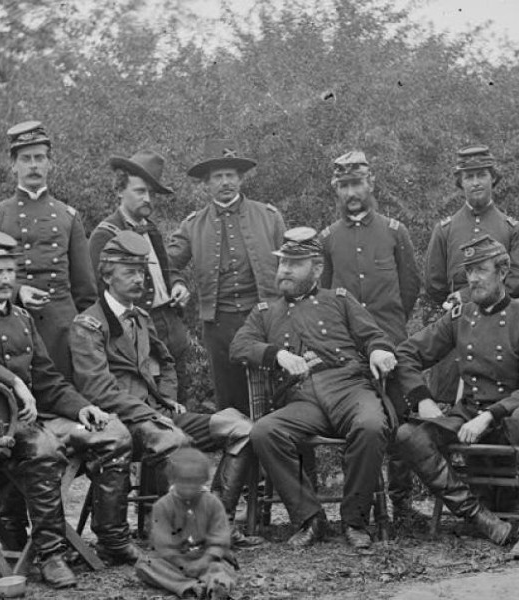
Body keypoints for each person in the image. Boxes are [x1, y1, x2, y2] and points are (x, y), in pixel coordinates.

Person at [0, 230, 138, 588]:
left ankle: (113, 538)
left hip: (37, 420)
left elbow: (48, 381)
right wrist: (12, 382)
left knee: (114, 434)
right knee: (43, 449)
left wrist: (82, 407)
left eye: (11, 271)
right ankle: (50, 554)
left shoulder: (24, 319)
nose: (7, 279)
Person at [69, 230, 261, 547]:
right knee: (173, 439)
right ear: (106, 275)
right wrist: (152, 414)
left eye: (142, 272)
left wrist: (167, 398)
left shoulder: (141, 317)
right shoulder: (88, 325)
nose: (138, 280)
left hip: (157, 416)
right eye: (129, 272)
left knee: (241, 428)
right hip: (119, 425)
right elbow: (99, 391)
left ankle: (217, 521)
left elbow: (167, 361)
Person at [230, 227, 398, 549]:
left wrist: (377, 349)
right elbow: (239, 347)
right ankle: (310, 518)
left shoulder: (339, 300)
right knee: (264, 431)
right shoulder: (265, 313)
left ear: (317, 268)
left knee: (372, 425)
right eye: (282, 263)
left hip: (347, 386)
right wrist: (276, 354)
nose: (285, 271)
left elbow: (373, 335)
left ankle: (355, 520)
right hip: (301, 397)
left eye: (295, 263)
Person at [394, 235, 519, 558]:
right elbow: (407, 354)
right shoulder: (459, 317)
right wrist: (422, 398)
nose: (473, 279)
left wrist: (490, 415)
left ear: (503, 272)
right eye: (469, 271)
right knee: (408, 435)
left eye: (481, 270)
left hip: (511, 418)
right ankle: (481, 518)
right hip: (468, 413)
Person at [319, 150, 420, 522]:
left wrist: (388, 331)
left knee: (399, 420)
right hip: (349, 352)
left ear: (371, 183)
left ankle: (403, 504)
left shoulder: (395, 232)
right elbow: (326, 296)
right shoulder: (328, 238)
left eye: (356, 183)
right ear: (337, 191)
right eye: (343, 185)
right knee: (358, 426)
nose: (351, 192)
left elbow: (410, 286)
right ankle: (361, 506)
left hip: (391, 343)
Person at [168, 139, 285, 415]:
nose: (225, 182)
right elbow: (166, 264)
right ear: (206, 184)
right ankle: (238, 454)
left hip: (264, 316)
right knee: (230, 395)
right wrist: (178, 283)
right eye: (218, 177)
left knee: (276, 388)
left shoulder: (269, 217)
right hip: (219, 322)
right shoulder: (193, 224)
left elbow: (290, 265)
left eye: (230, 175)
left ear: (241, 179)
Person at [0, 121, 97, 380]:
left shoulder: (69, 217)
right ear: (13, 165)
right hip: (11, 326)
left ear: (49, 164)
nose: (33, 165)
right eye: (26, 158)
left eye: (39, 158)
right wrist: (18, 291)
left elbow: (85, 290)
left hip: (61, 330)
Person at [423, 146, 519, 404]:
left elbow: (517, 280)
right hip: (456, 326)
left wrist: (467, 295)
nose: (476, 182)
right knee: (449, 402)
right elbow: (434, 284)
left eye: (481, 174)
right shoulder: (445, 230)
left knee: (499, 401)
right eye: (469, 177)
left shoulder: (512, 229)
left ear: (493, 177)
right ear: (460, 182)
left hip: (500, 326)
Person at [87, 150, 190, 381]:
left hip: (171, 326)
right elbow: (97, 293)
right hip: (138, 332)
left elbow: (167, 270)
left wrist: (178, 285)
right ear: (120, 190)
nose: (148, 199)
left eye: (152, 193)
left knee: (179, 394)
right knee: (150, 398)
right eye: (140, 191)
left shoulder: (150, 228)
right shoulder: (105, 235)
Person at [135, 448, 236, 600]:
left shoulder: (212, 503)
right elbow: (162, 544)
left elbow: (220, 539)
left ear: (203, 480)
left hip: (207, 557)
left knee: (220, 568)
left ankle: (217, 588)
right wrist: (182, 563)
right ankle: (190, 587)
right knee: (145, 564)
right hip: (174, 561)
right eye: (184, 482)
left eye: (195, 482)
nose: (189, 487)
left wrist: (205, 560)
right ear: (172, 480)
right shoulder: (162, 506)